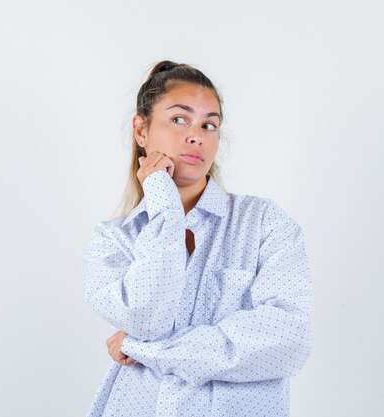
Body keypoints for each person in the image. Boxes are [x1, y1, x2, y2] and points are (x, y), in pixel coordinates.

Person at [81, 60, 313, 416]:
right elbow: (145, 320)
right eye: (179, 119)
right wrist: (163, 206)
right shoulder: (114, 240)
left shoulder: (265, 224)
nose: (197, 135)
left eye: (209, 125)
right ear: (141, 130)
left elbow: (286, 341)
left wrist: (148, 351)